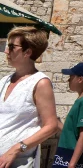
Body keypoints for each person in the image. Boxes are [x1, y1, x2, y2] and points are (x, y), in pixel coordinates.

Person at [0, 26, 58, 168]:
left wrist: (17, 148)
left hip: (19, 162)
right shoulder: (5, 80)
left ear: (27, 52)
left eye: (12, 47)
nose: (6, 51)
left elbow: (51, 126)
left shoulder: (40, 83)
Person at [53, 62, 83, 168]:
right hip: (66, 153)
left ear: (80, 79)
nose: (68, 80)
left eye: (71, 77)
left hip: (72, 157)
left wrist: (72, 164)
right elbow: (73, 132)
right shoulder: (81, 100)